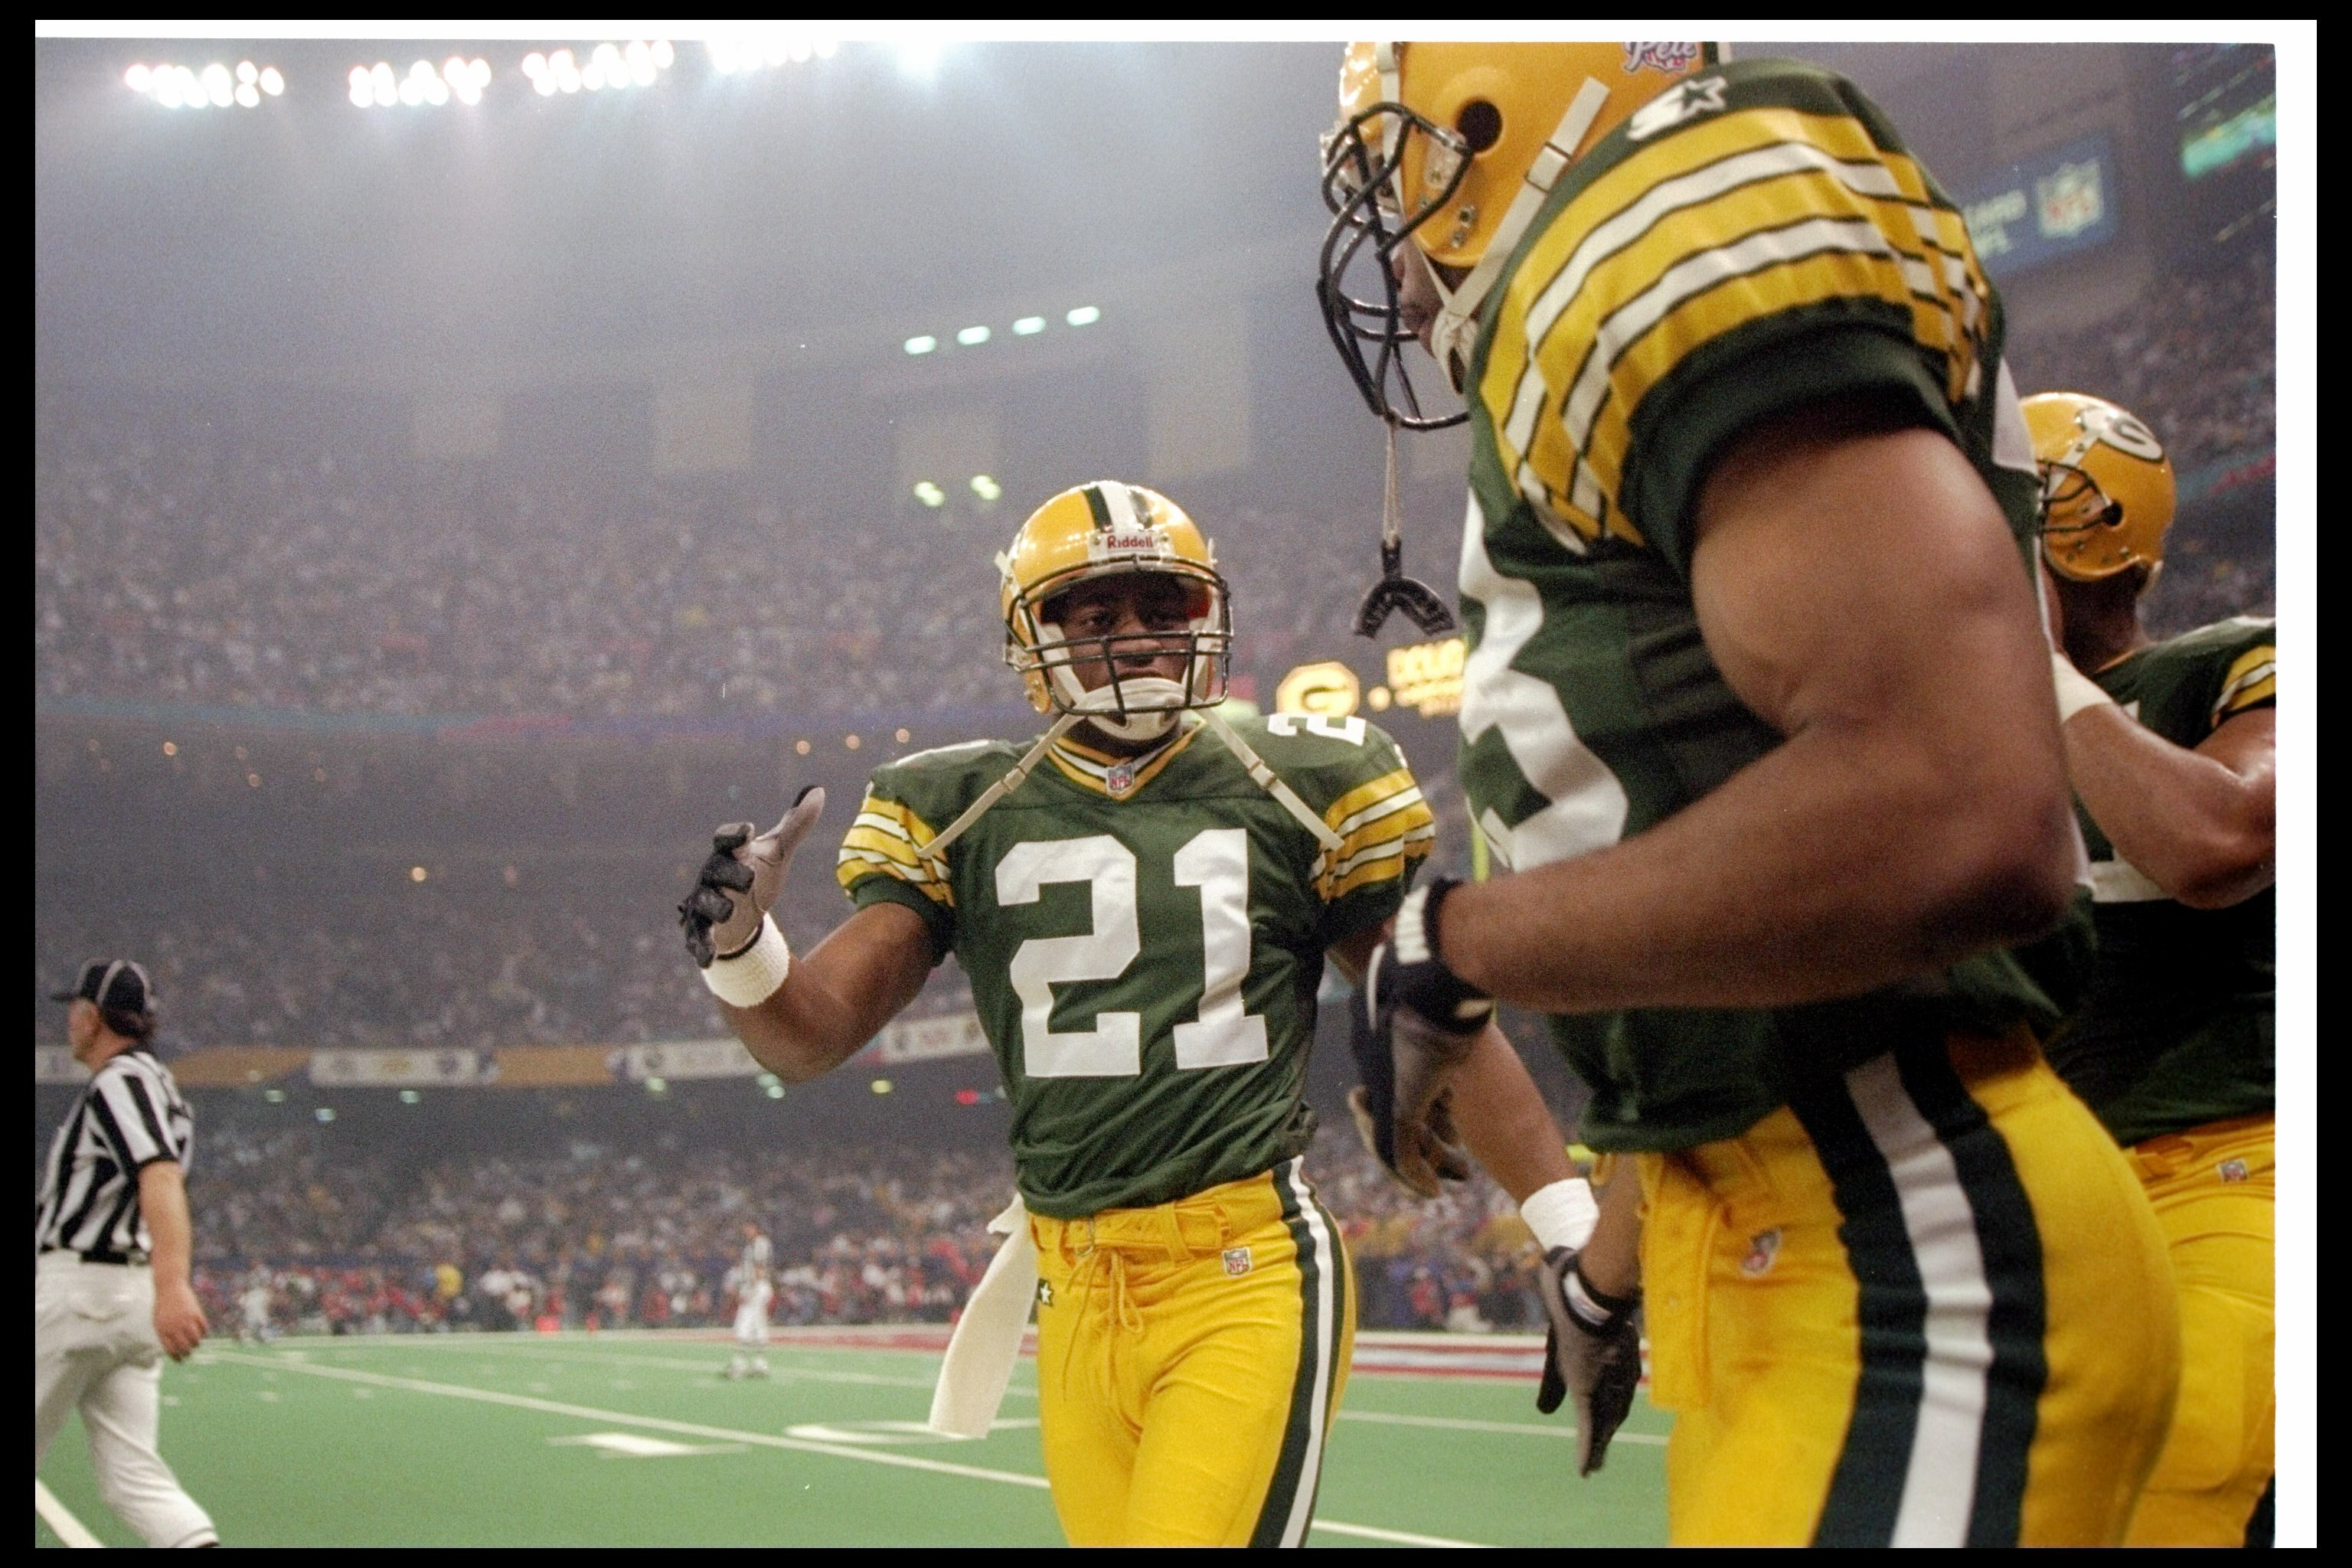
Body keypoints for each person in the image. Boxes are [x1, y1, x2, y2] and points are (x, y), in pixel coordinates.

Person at [1315, 43, 2180, 1545]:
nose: (1392, 251)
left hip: (1914, 1245)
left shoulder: (1659, 221)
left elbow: (1954, 803)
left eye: (1402, 177)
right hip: (1808, 1248)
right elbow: (1727, 1009)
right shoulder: (1588, 320)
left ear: (1484, 117)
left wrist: (1456, 945)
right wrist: (1607, 1270)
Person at [678, 481, 1589, 1546]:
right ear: (1032, 634)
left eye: (1162, 609)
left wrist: (1569, 1237)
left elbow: (1432, 1007)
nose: (1139, 640)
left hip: (1242, 1270)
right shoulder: (963, 804)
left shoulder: (1297, 780)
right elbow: (811, 1036)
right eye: (1098, 616)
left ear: (1205, 615)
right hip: (1073, 1293)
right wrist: (743, 947)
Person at [2027, 390, 2277, 1546]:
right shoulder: (1977, 742)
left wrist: (2042, 671)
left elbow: (2215, 843)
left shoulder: (2236, 664)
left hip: (2229, 1172)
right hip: (2056, 1220)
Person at [34, 959, 219, 1549]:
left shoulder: (122, 1080)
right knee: (134, 1481)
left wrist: (174, 1285)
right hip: (124, 1302)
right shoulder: (157, 1082)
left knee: (134, 1479)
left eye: (76, 1010)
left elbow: (159, 1177)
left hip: (82, 1290)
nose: (69, 1021)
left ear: (93, 1017)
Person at [727, 1220, 774, 1380]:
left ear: (756, 1227)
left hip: (757, 1287)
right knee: (757, 1322)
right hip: (754, 1286)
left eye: (749, 1227)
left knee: (745, 1320)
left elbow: (759, 1267)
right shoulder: (751, 1245)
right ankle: (760, 1362)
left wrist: (751, 1290)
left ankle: (739, 1363)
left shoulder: (760, 1243)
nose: (746, 1230)